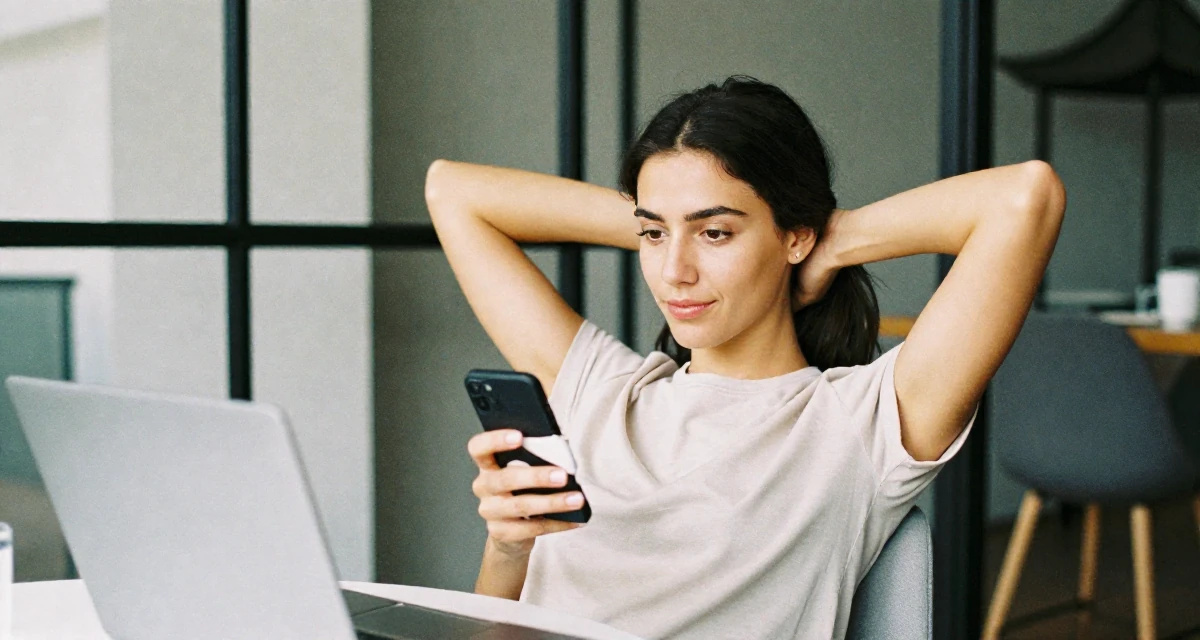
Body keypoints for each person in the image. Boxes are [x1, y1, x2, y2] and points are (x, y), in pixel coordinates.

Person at [425, 76, 1065, 639]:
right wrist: (509, 548)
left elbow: (1024, 198)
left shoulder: (859, 425)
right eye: (651, 236)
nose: (674, 272)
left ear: (794, 234)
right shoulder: (600, 388)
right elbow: (451, 191)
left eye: (716, 233)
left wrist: (832, 242)